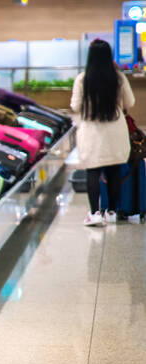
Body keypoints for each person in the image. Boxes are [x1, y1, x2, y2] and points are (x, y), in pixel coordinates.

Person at [70, 39, 135, 226]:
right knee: (114, 170)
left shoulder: (83, 79)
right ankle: (112, 212)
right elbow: (129, 103)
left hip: (92, 131)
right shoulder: (118, 78)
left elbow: (75, 106)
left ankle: (94, 213)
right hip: (116, 130)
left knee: (93, 171)